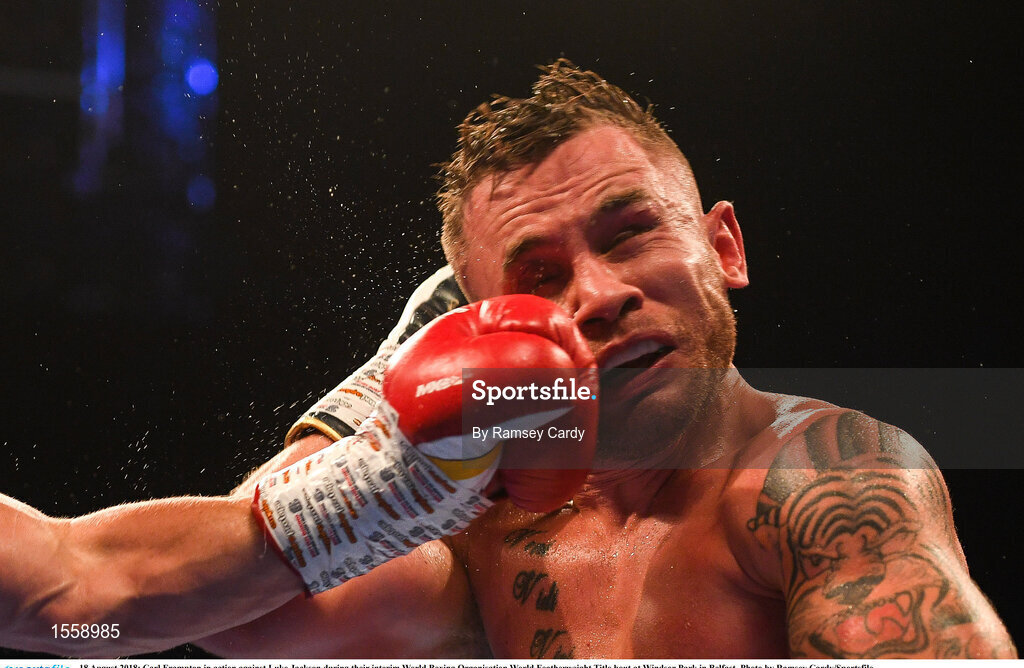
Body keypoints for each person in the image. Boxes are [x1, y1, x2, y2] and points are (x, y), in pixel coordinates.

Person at [0, 60, 1015, 659]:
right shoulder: (484, 530)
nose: (600, 291)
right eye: (538, 275)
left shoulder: (824, 472)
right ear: (486, 325)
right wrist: (382, 424)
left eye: (628, 233)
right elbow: (177, 620)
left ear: (725, 247)